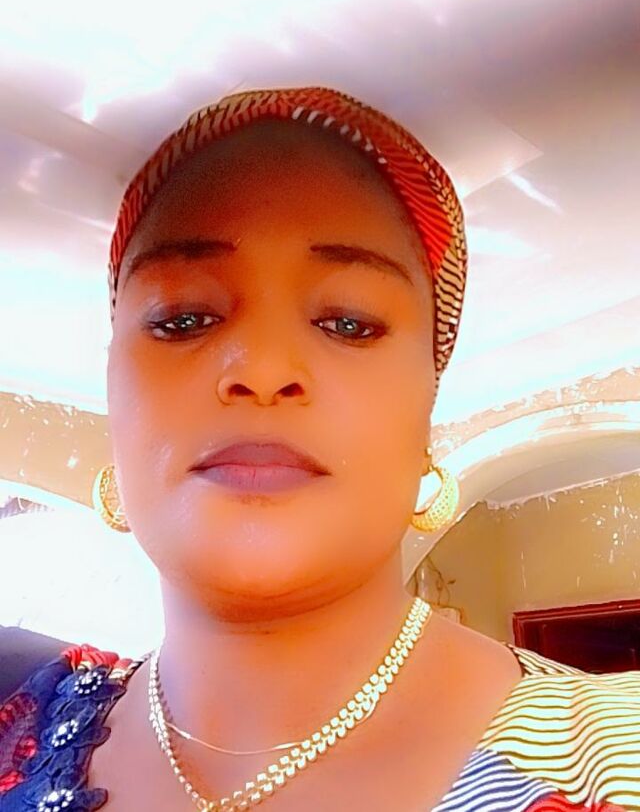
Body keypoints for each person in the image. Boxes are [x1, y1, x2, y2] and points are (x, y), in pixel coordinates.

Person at [0, 86, 638, 812]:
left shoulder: (614, 756)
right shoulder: (20, 724)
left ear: (427, 402)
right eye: (183, 318)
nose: (262, 368)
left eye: (348, 323)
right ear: (113, 385)